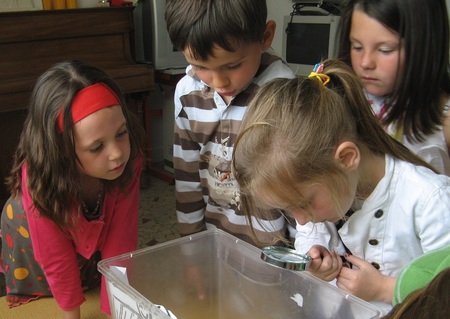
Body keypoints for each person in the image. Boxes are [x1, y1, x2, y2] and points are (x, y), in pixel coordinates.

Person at [232, 59, 450, 309]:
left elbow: (444, 293)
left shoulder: (430, 200)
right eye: (289, 208)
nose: (300, 219)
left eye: (304, 203)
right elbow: (307, 236)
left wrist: (384, 289)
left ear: (347, 159)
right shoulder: (329, 188)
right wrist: (315, 258)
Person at [0, 60, 144, 319]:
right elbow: (55, 257)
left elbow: (121, 241)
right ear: (62, 151)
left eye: (121, 133)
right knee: (53, 290)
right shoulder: (40, 179)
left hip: (88, 239)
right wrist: (71, 315)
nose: (117, 154)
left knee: (101, 282)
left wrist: (115, 311)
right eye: (96, 147)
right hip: (34, 246)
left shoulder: (128, 161)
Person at [165, 0, 296, 246]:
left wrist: (304, 255)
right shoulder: (187, 92)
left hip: (272, 249)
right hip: (215, 243)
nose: (219, 81)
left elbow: (299, 185)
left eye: (233, 65)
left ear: (266, 36)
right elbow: (187, 180)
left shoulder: (282, 92)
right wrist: (192, 249)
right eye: (201, 66)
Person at [336, 0, 450, 175]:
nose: (366, 63)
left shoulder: (445, 123)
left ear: (424, 47)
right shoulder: (345, 101)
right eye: (357, 47)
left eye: (385, 50)